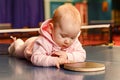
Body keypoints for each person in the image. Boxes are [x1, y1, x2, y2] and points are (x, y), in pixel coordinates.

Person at [8, 3, 86, 68]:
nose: (68, 41)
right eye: (63, 36)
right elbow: (36, 58)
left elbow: (82, 55)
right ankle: (16, 43)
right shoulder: (43, 42)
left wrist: (67, 56)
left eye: (72, 37)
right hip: (30, 45)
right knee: (17, 51)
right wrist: (55, 61)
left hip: (38, 42)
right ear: (51, 29)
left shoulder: (74, 41)